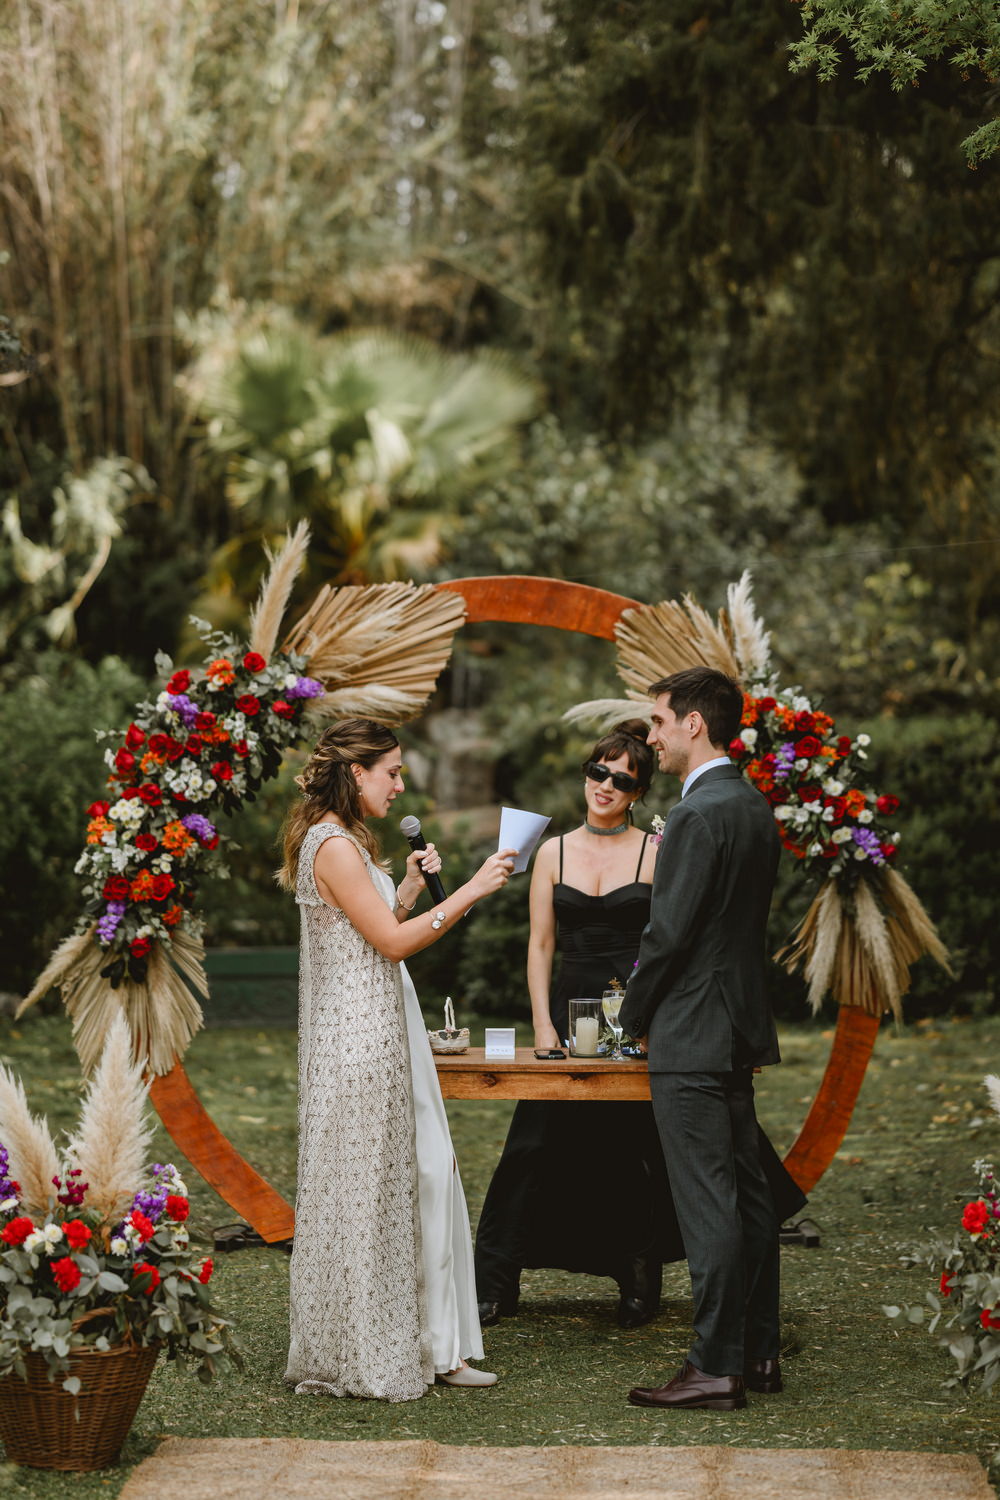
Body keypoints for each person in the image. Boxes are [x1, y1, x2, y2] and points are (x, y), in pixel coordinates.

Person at [474, 721, 804, 1332]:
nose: (606, 785)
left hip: (638, 1007)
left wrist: (645, 1018)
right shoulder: (553, 851)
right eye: (599, 771)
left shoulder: (660, 848)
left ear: (639, 790)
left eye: (622, 778)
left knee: (634, 1148)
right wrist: (542, 1024)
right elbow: (540, 946)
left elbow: (674, 938)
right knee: (533, 1144)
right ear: (586, 774)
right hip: (569, 1007)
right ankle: (495, 1279)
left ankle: (637, 1275)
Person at [279, 718, 516, 1402]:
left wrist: (409, 887)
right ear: (357, 773)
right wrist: (470, 891)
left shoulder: (348, 842)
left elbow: (372, 926)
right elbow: (388, 943)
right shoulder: (332, 845)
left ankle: (433, 1340)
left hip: (386, 1027)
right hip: (362, 1040)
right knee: (383, 1190)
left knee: (421, 1178)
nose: (401, 785)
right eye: (393, 772)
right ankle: (388, 1344)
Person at [620, 667, 786, 1413]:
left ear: (694, 723)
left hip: (691, 1030)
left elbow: (669, 933)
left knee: (709, 1201)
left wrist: (632, 1017)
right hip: (738, 1024)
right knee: (748, 1198)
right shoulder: (751, 806)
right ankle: (756, 1350)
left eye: (658, 721)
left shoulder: (695, 816)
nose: (651, 736)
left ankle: (715, 1366)